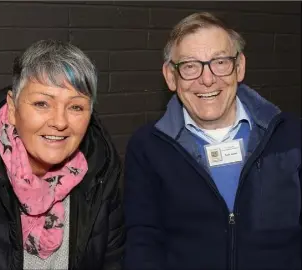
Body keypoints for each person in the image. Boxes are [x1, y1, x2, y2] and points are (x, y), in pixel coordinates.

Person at [123, 12, 301, 270]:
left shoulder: (291, 136)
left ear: (239, 67)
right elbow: (143, 241)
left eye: (220, 62)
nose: (207, 79)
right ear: (171, 76)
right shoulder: (147, 147)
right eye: (190, 66)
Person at [0, 40, 125, 270]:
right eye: (42, 103)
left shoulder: (101, 172)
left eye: (76, 107)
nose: (60, 122)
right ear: (12, 108)